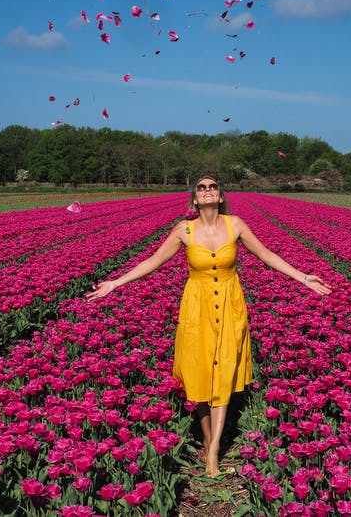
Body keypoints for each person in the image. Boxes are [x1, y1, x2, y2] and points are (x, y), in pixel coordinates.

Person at [85, 175, 332, 476]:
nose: (207, 191)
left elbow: (267, 255)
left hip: (229, 306)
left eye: (212, 187)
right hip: (197, 308)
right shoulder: (184, 231)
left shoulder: (236, 225)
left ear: (220, 195)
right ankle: (206, 435)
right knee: (200, 371)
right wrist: (115, 282)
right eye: (201, 188)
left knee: (224, 368)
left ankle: (213, 449)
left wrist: (303, 277)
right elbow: (152, 261)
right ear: (194, 198)